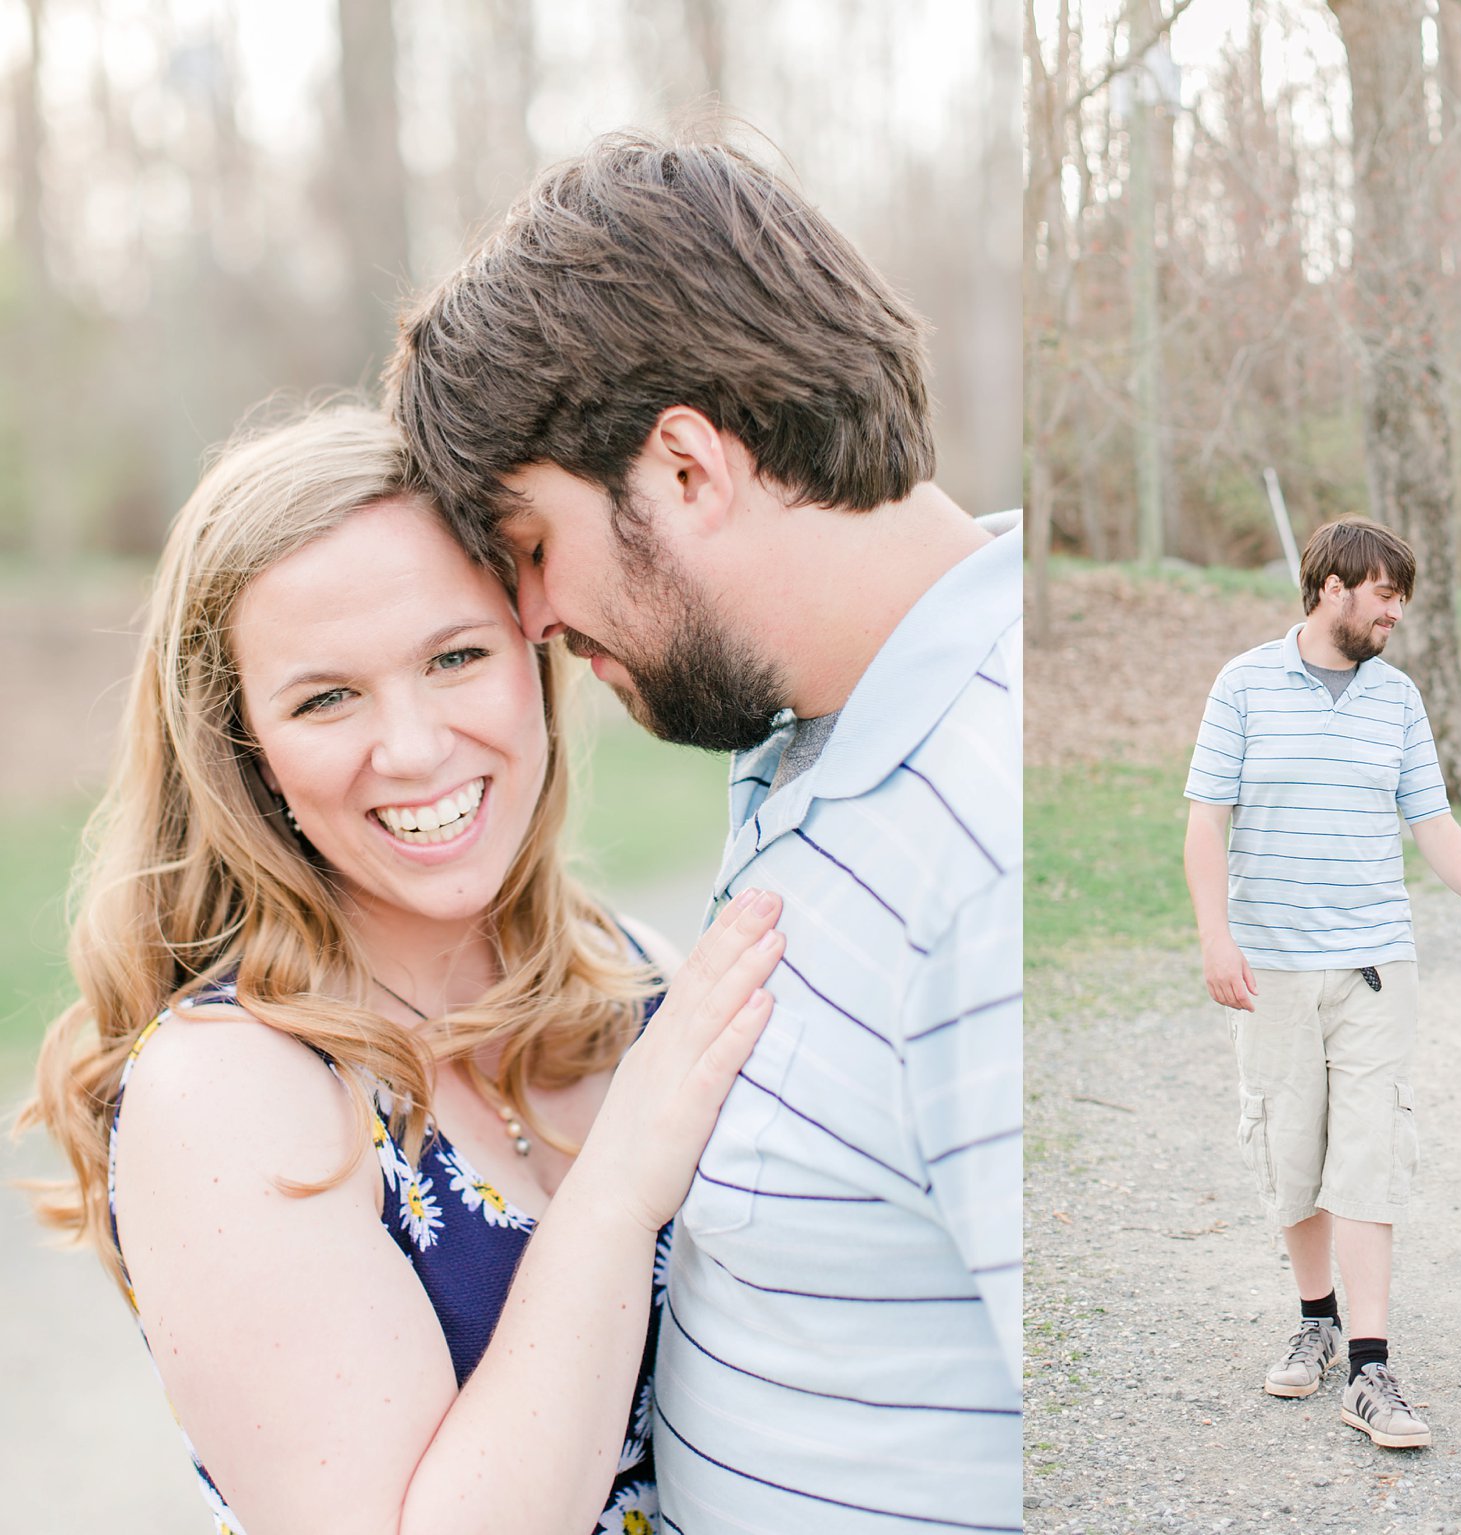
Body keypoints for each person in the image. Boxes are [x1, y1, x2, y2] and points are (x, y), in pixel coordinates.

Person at [387, 131, 1022, 1533]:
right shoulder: (814, 735)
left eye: (533, 545)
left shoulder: (983, 829)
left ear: (682, 467)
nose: (533, 623)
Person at [18, 406, 784, 1535]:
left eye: (455, 656)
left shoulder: (633, 981)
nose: (415, 747)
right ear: (244, 749)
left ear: (537, 656)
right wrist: (617, 1191)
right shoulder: (228, 1090)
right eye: (327, 696)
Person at [1182, 517, 1461, 1450]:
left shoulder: (1398, 699)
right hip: (1274, 961)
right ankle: (1316, 1317)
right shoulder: (1245, 684)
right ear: (1333, 587)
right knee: (1292, 1151)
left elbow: (1434, 819)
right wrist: (1216, 937)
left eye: (1403, 599)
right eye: (1384, 594)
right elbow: (1206, 822)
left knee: (1369, 1152)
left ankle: (1372, 1371)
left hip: (1377, 961)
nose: (1396, 613)